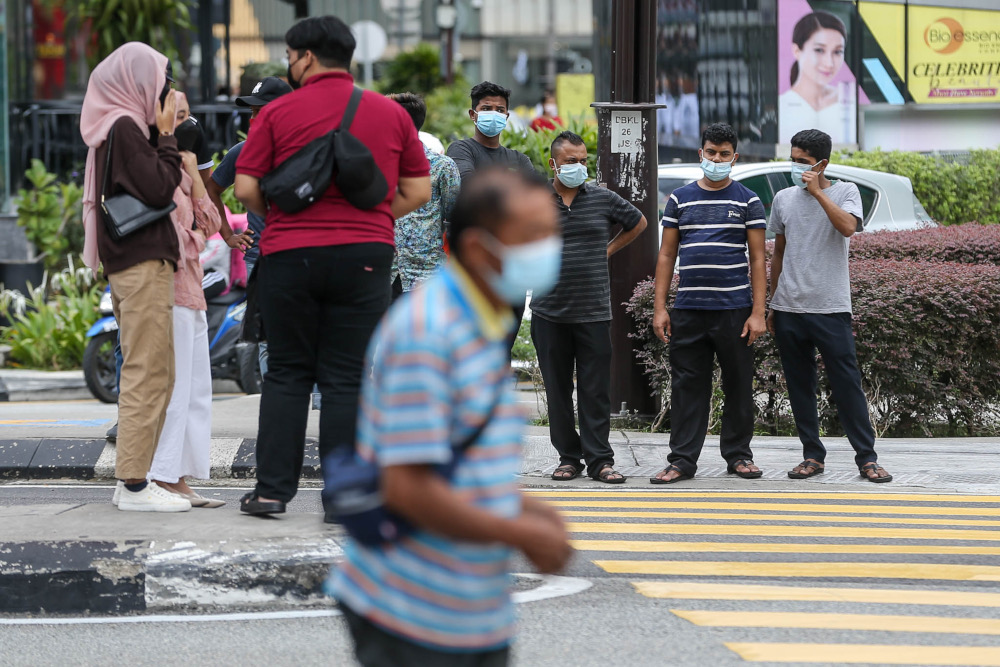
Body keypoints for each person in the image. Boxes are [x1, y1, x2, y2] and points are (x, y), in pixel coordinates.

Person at [329, 167, 571, 667]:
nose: (549, 250)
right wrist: (519, 532)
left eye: (553, 235)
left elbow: (462, 463)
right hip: (412, 612)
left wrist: (527, 510)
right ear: (481, 249)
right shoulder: (430, 331)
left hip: (471, 613)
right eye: (533, 237)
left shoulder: (480, 320)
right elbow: (408, 486)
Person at [234, 16, 431, 516]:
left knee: (288, 372)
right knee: (347, 376)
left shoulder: (277, 114)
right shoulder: (390, 114)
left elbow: (245, 189)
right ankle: (344, 496)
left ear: (305, 58)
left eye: (289, 56)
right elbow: (418, 191)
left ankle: (272, 492)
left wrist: (293, 212)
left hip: (289, 254)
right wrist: (368, 219)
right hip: (366, 256)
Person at [80, 42, 191, 512]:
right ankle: (133, 485)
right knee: (149, 372)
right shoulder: (125, 127)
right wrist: (166, 137)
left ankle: (133, 478)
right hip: (142, 262)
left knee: (155, 371)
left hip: (138, 262)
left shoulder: (120, 127)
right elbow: (159, 186)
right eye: (161, 81)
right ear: (137, 82)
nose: (164, 91)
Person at [767, 129, 892, 483]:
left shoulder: (845, 192)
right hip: (789, 308)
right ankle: (812, 456)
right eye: (792, 159)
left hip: (831, 308)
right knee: (799, 385)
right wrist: (773, 304)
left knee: (846, 384)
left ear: (822, 163)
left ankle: (867, 459)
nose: (795, 167)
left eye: (802, 162)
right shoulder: (783, 199)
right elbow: (779, 253)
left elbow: (848, 228)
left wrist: (818, 193)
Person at [650, 123, 767, 484]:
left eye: (724, 154)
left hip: (735, 310)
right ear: (700, 154)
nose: (717, 159)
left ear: (735, 157)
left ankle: (738, 456)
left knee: (738, 385)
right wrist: (660, 307)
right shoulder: (679, 199)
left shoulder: (748, 200)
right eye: (711, 153)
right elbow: (667, 255)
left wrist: (759, 313)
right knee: (687, 386)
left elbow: (759, 259)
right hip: (688, 309)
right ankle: (682, 461)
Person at [530, 131, 646, 484]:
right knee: (558, 390)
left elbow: (638, 222)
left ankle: (600, 461)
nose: (579, 167)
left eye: (583, 161)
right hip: (549, 312)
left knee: (595, 391)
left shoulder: (602, 198)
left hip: (593, 311)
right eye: (570, 161)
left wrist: (608, 250)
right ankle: (568, 458)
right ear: (553, 164)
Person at [141, 135, 225, 508]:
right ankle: (161, 475)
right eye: (175, 113)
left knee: (195, 390)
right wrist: (196, 234)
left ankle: (179, 478)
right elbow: (177, 238)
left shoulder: (184, 172)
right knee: (175, 389)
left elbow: (212, 223)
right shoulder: (155, 170)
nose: (183, 121)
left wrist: (193, 173)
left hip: (192, 289)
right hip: (168, 288)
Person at [206, 76, 293, 379]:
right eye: (251, 111)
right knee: (268, 339)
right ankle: (277, 401)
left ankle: (319, 405)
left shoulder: (309, 149)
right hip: (260, 258)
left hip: (303, 255)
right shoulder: (242, 151)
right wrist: (227, 234)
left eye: (261, 111)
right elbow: (210, 190)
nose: (252, 118)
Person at [446, 81, 535, 349]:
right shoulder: (461, 150)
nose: (494, 114)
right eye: (487, 108)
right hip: (474, 268)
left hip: (511, 270)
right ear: (473, 114)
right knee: (470, 346)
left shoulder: (519, 159)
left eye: (500, 109)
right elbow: (469, 186)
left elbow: (531, 204)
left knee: (502, 349)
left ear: (507, 117)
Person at [386, 92, 461, 296]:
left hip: (426, 277)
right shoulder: (377, 164)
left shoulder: (442, 167)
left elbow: (454, 218)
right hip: (384, 275)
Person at [778, 11, 855, 144]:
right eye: (819, 50)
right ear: (797, 51)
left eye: (837, 52)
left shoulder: (848, 101)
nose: (829, 63)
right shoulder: (782, 104)